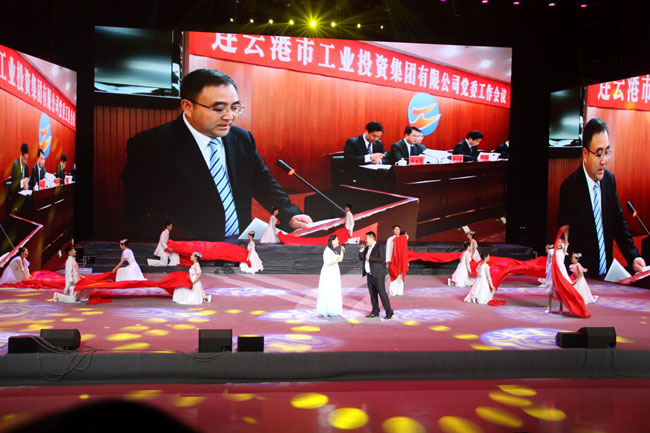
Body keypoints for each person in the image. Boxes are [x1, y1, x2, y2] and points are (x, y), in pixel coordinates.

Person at [122, 68, 312, 241]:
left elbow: (262, 182)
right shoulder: (150, 145)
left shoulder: (242, 138)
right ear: (188, 106)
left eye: (234, 107)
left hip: (241, 243)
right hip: (189, 250)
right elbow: (145, 211)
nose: (229, 116)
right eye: (219, 109)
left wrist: (289, 213)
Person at [558, 117, 646, 278]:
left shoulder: (609, 181)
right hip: (583, 278)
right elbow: (565, 239)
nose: (604, 160)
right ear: (585, 154)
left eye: (607, 152)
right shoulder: (570, 188)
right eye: (599, 154)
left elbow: (619, 224)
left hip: (609, 276)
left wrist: (633, 257)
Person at [359, 231, 393, 319]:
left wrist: (370, 258)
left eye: (366, 238)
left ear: (372, 238)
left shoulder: (380, 247)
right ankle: (375, 311)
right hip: (370, 274)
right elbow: (362, 258)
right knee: (372, 294)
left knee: (382, 293)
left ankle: (389, 312)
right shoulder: (367, 248)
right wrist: (361, 251)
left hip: (378, 274)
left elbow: (382, 259)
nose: (365, 240)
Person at [316, 234, 344, 317]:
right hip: (328, 272)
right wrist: (338, 260)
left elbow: (340, 259)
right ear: (332, 241)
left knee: (334, 290)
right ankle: (325, 310)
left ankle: (332, 310)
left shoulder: (334, 250)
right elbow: (328, 262)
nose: (338, 241)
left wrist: (342, 251)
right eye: (337, 240)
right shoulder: (327, 250)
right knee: (327, 290)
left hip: (334, 272)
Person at [386, 225, 408, 296]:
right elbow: (388, 250)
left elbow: (406, 237)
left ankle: (400, 291)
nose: (397, 230)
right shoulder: (390, 239)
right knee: (393, 276)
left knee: (400, 277)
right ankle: (393, 292)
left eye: (398, 229)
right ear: (392, 231)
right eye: (395, 229)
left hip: (401, 261)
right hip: (392, 261)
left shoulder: (403, 238)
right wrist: (387, 260)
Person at [547, 238, 568, 313]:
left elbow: (566, 242)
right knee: (550, 288)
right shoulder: (551, 251)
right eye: (558, 242)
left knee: (560, 289)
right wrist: (547, 270)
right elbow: (548, 261)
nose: (559, 244)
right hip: (552, 270)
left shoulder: (563, 251)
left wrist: (565, 233)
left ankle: (561, 306)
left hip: (560, 271)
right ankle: (549, 307)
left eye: (561, 242)